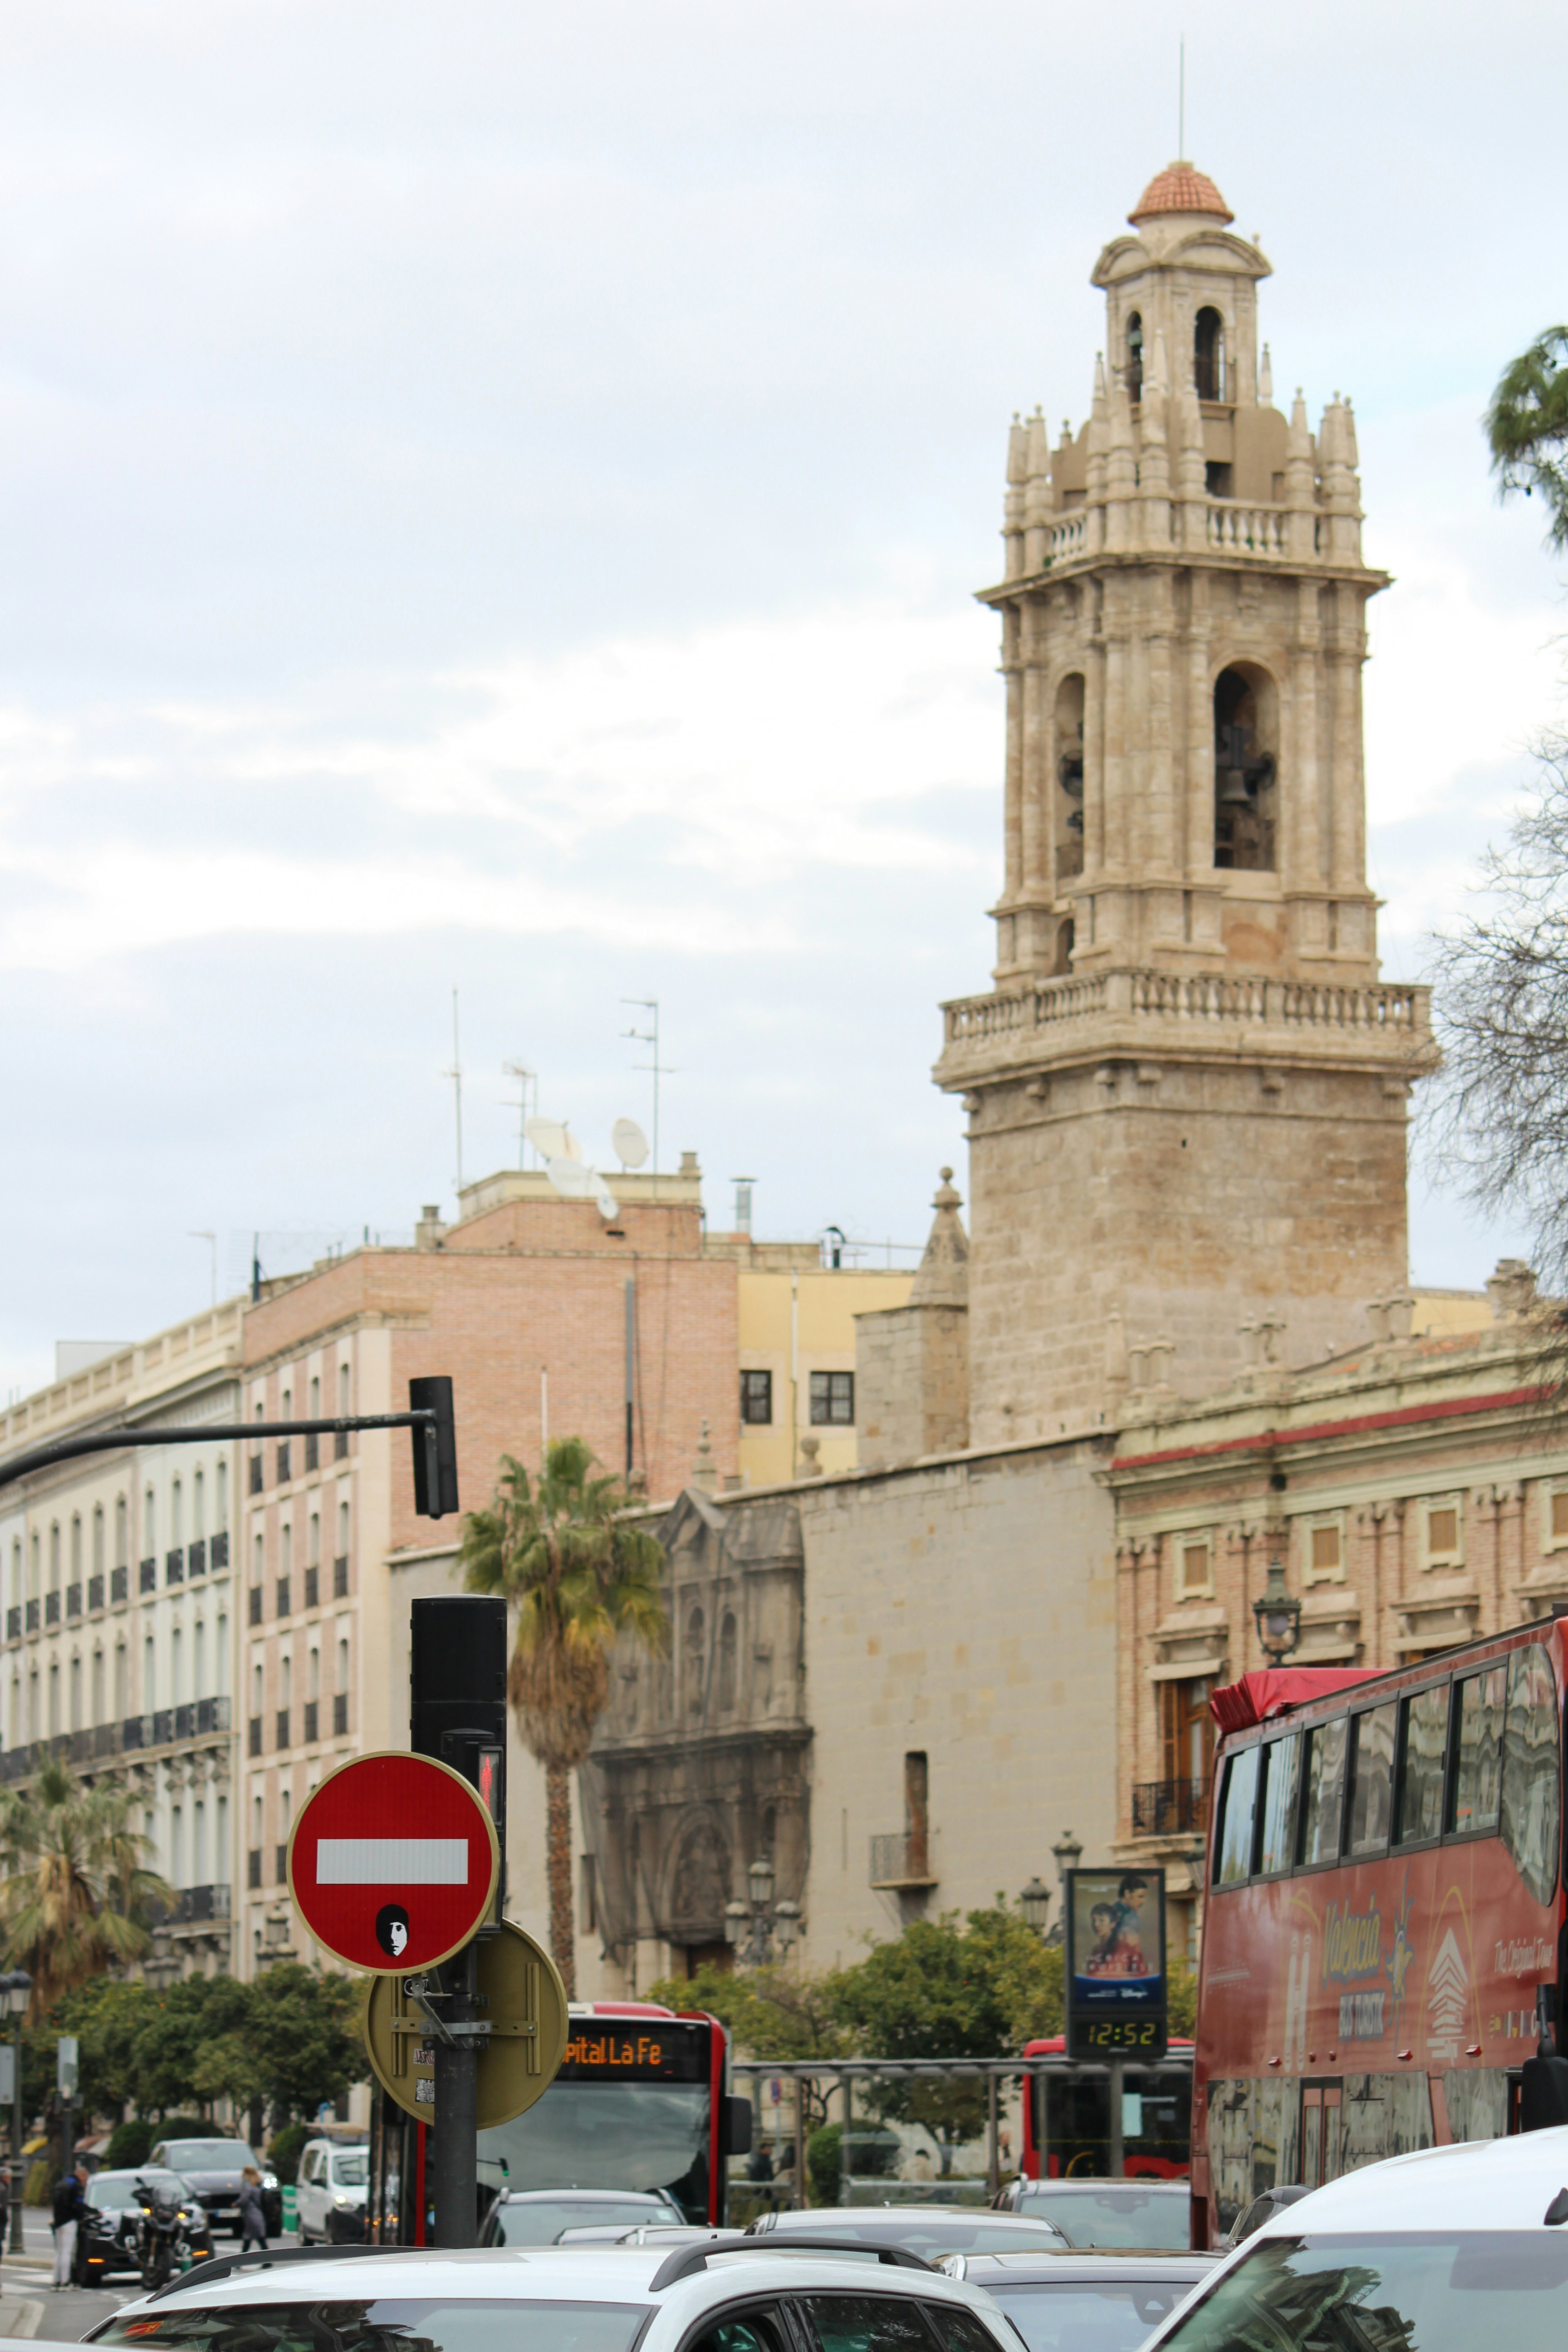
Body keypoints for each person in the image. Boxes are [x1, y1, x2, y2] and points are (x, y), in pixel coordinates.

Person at [51, 2161, 87, 2290]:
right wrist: (91, 2211)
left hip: (58, 2221)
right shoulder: (76, 2185)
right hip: (70, 2221)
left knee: (59, 2252)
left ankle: (56, 2280)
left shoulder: (62, 2183)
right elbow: (78, 2204)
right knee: (68, 2252)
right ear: (82, 2176)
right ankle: (65, 2281)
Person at [238, 2166, 268, 2252]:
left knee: (251, 2239)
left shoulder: (248, 2186)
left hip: (251, 2215)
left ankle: (240, 2262)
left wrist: (236, 2204)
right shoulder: (259, 2185)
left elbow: (244, 2199)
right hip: (258, 2214)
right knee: (258, 2239)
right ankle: (267, 2261)